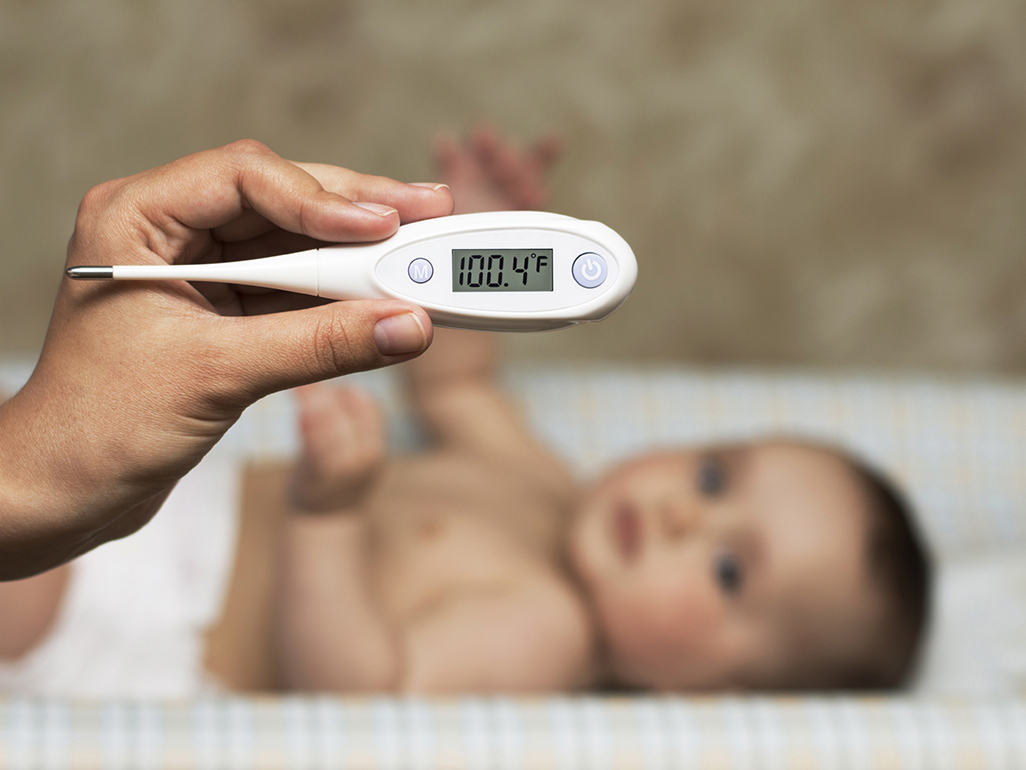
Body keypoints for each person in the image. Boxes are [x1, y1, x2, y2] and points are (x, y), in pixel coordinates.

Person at [268, 129, 930, 693]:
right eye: (713, 477)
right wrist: (474, 249)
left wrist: (327, 516)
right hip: (177, 492)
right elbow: (454, 386)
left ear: (711, 696)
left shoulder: (551, 635)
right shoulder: (544, 479)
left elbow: (363, 699)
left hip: (180, 611)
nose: (683, 514)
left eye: (729, 570)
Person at [0, 140, 453, 580]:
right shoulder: (516, 461)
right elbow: (459, 387)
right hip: (143, 516)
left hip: (166, 566)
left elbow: (350, 663)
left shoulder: (514, 629)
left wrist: (327, 521)